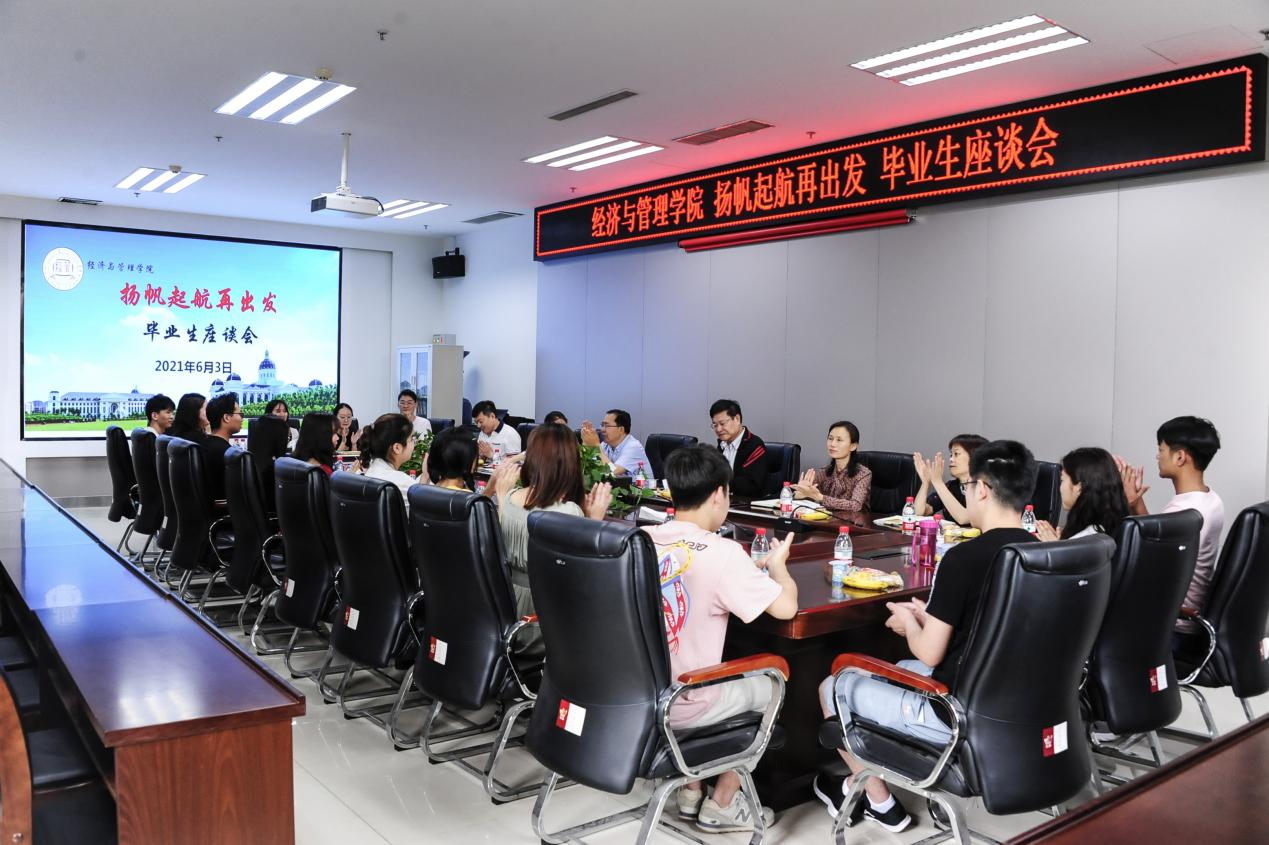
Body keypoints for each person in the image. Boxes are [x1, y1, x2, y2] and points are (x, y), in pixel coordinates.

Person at [814, 439, 1039, 833]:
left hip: (953, 713)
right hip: (1020, 708)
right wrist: (931, 616)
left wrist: (910, 622)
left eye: (967, 486)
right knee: (898, 667)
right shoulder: (1042, 552)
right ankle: (858, 787)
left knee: (833, 685)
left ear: (982, 490)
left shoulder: (963, 558)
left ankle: (880, 803)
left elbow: (930, 654)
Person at [644, 445, 797, 834]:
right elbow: (786, 609)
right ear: (718, 494)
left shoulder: (641, 539)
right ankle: (724, 801)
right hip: (686, 702)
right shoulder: (724, 552)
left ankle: (690, 790)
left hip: (638, 697)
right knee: (773, 682)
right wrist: (778, 568)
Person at [487, 424, 611, 638]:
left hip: (505, 610)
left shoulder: (509, 498)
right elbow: (581, 575)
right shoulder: (568, 511)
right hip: (545, 617)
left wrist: (500, 496)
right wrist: (594, 522)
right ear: (570, 463)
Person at [1118, 416, 1224, 655]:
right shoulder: (1210, 500)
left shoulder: (1183, 512)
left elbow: (1144, 564)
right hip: (1187, 621)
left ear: (1180, 457)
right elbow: (1161, 541)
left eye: (1161, 449)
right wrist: (1136, 505)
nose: (1158, 456)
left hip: (1172, 628)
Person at [1035, 447, 1129, 541]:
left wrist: (1056, 547)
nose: (1060, 487)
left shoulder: (1087, 537)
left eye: (1062, 480)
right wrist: (1062, 543)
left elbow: (1079, 548)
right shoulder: (1112, 528)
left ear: (1079, 488)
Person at [793, 420, 872, 512]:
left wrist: (821, 498)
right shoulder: (823, 472)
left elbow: (855, 506)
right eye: (830, 439)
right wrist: (801, 493)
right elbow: (812, 497)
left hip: (854, 520)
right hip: (826, 519)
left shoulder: (863, 474)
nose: (832, 444)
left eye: (839, 440)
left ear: (853, 446)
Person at [912, 434, 988, 525]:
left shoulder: (985, 487)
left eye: (956, 454)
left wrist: (938, 482)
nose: (951, 459)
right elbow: (918, 512)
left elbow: (964, 518)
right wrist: (925, 483)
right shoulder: (951, 487)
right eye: (951, 455)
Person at [359, 413, 424, 505]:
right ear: (397, 448)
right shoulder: (402, 482)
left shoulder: (372, 471)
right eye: (411, 439)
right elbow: (429, 503)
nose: (414, 443)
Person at [710, 399, 769, 498]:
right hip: (724, 500)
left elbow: (751, 484)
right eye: (715, 425)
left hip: (747, 503)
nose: (718, 429)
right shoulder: (722, 445)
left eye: (722, 423)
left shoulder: (754, 445)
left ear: (737, 419)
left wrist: (717, 482)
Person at [580, 409, 651, 477]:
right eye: (602, 425)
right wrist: (586, 444)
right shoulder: (605, 445)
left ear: (621, 429)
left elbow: (612, 472)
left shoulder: (633, 447)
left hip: (641, 486)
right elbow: (591, 467)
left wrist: (596, 445)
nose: (602, 429)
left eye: (607, 426)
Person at [202, 392, 243, 502]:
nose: (242, 418)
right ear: (226, 417)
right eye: (240, 414)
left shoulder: (204, 444)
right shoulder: (228, 454)